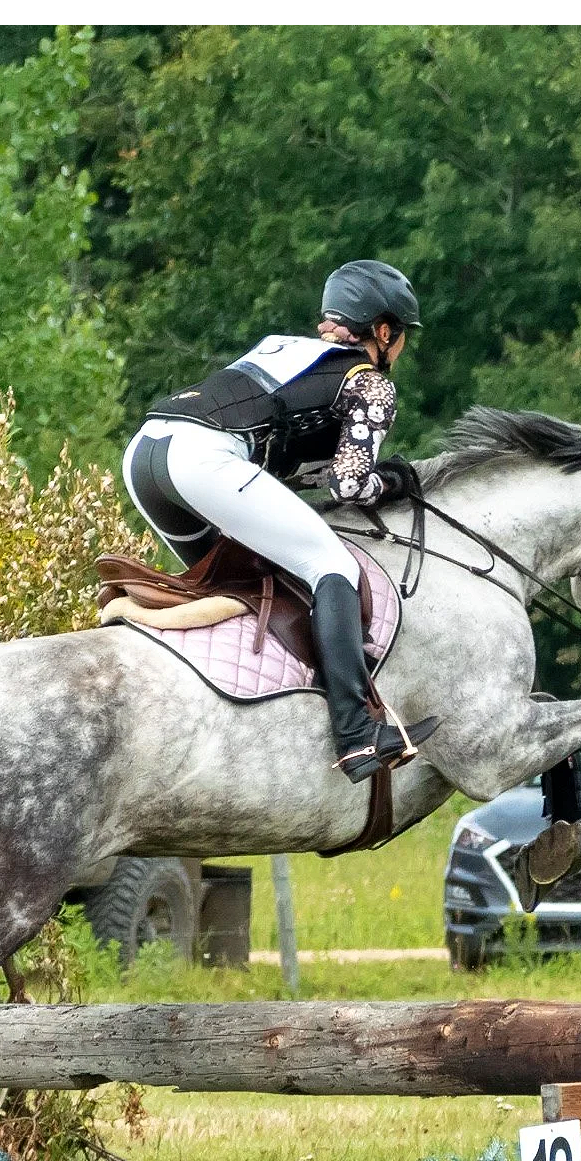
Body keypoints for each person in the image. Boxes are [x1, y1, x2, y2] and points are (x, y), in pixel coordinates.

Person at [123, 261, 437, 782]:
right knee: (332, 567)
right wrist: (398, 482)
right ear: (383, 331)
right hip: (205, 461)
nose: (398, 349)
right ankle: (357, 736)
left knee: (240, 585)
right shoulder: (370, 382)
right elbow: (350, 486)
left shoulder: (287, 352)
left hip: (145, 455)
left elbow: (292, 456)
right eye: (400, 336)